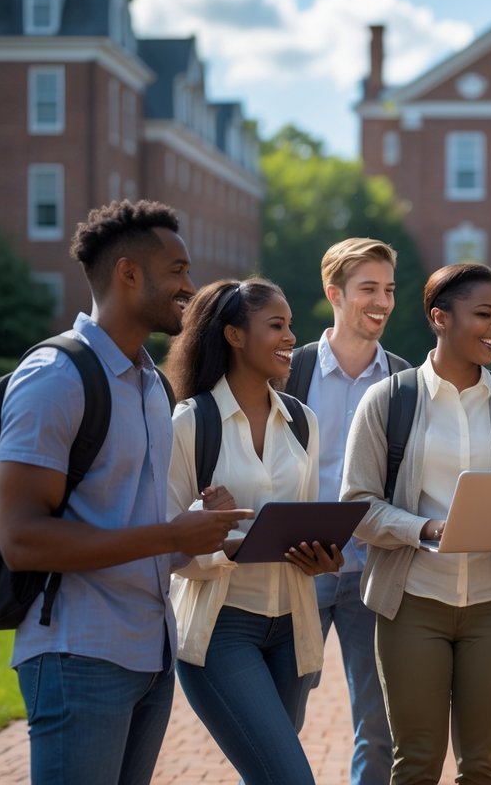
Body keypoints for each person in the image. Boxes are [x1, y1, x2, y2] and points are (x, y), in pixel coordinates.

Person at [0, 200, 247, 785]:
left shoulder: (153, 385)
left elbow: (137, 529)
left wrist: (199, 529)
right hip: (78, 653)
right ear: (129, 273)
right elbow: (23, 539)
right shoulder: (56, 376)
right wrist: (169, 533)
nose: (191, 286)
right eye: (179, 271)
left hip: (150, 655)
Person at [342, 262, 491, 785]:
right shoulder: (390, 399)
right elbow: (357, 505)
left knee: (481, 766)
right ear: (439, 317)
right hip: (413, 603)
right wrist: (426, 528)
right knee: (417, 761)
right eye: (483, 315)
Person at [164, 278, 343, 784]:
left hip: (293, 626)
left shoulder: (302, 422)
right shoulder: (190, 423)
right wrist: (221, 540)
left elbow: (305, 520)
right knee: (288, 778)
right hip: (222, 630)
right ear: (234, 336)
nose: (291, 337)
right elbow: (164, 548)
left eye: (290, 326)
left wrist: (322, 556)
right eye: (276, 326)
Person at [289, 238, 408, 784]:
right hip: (297, 570)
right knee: (277, 721)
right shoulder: (289, 372)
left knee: (380, 727)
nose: (382, 300)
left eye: (387, 289)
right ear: (334, 293)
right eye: (368, 289)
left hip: (374, 573)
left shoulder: (406, 384)